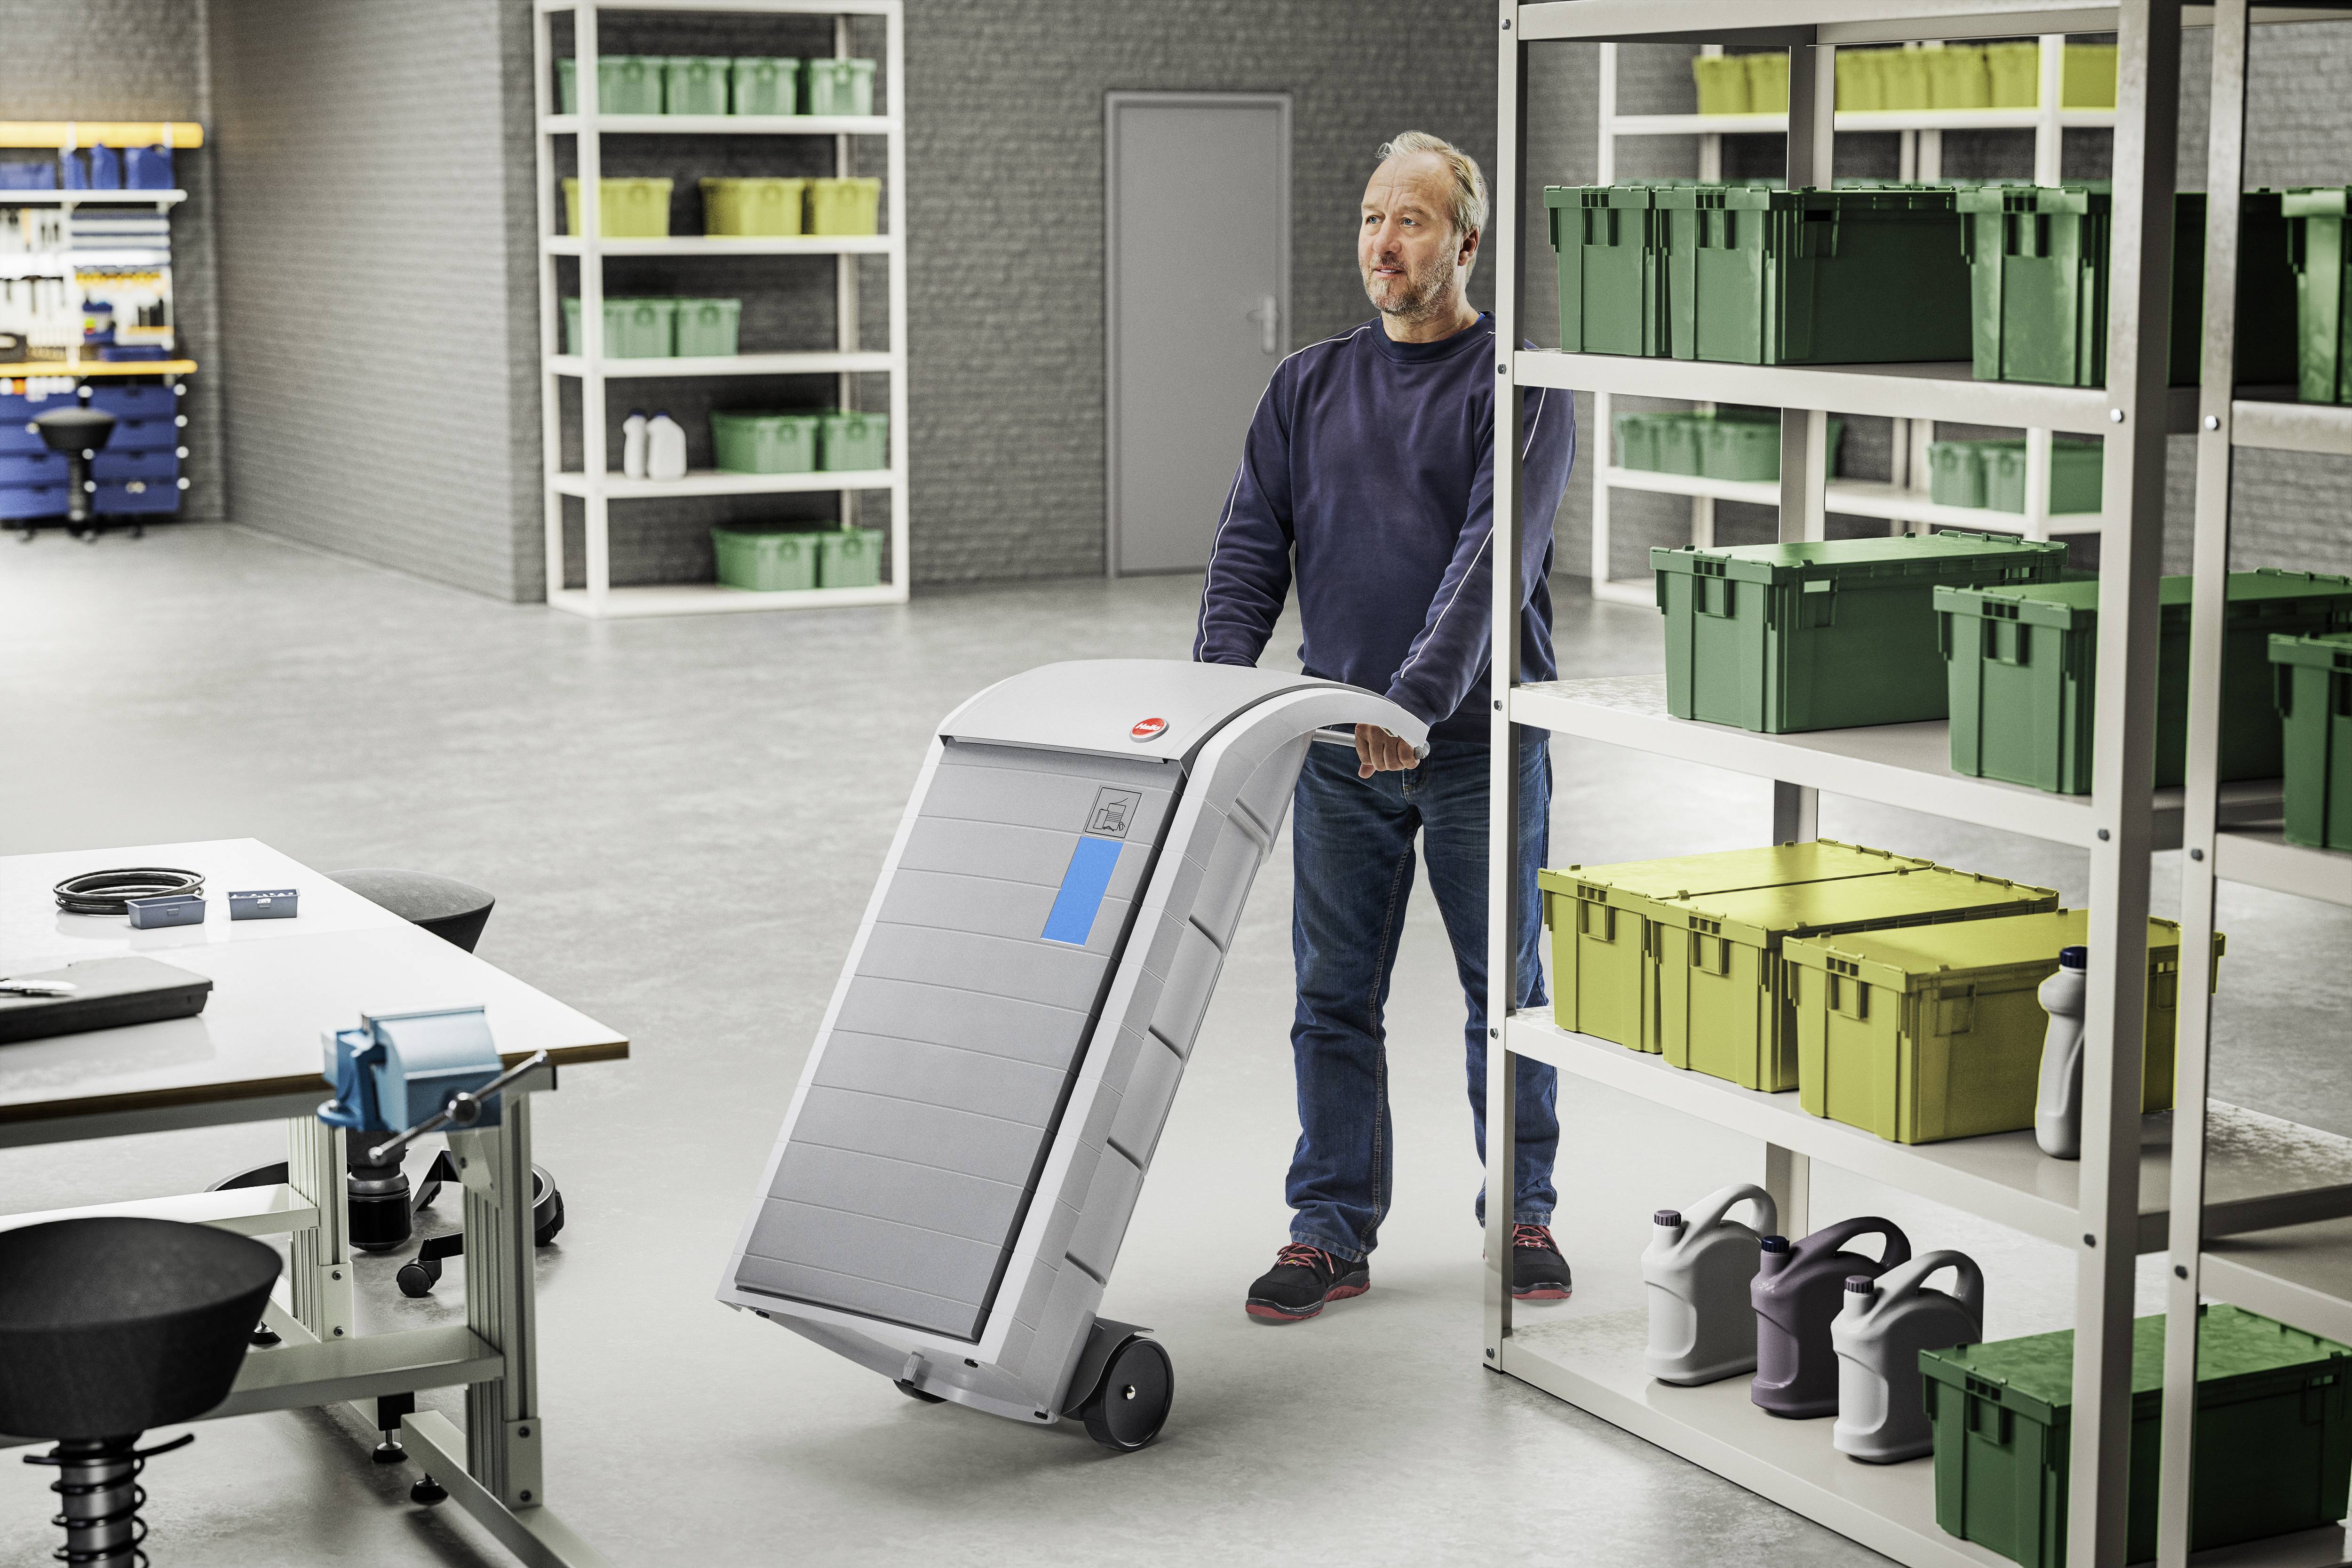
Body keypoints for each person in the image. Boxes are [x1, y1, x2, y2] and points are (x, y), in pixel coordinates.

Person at [1192, 131, 1576, 1323]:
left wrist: (1413, 704)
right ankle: (1330, 1228)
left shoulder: (1520, 386)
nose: (1383, 241)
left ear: (1465, 242)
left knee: (1499, 991)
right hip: (1336, 753)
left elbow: (1487, 566)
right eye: (1371, 218)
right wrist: (1212, 700)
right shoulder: (1304, 386)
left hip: (1471, 750)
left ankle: (1521, 1210)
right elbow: (1250, 549)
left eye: (1410, 220)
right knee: (1331, 996)